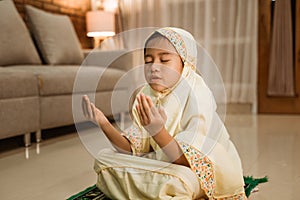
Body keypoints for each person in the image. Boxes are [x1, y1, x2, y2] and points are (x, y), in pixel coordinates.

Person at [82, 27, 247, 199]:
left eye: (164, 60)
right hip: (165, 166)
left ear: (185, 64)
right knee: (103, 159)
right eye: (148, 60)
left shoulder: (198, 93)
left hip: (193, 172)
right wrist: (103, 123)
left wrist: (157, 132)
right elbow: (132, 150)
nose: (154, 67)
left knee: (181, 181)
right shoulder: (146, 94)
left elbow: (186, 161)